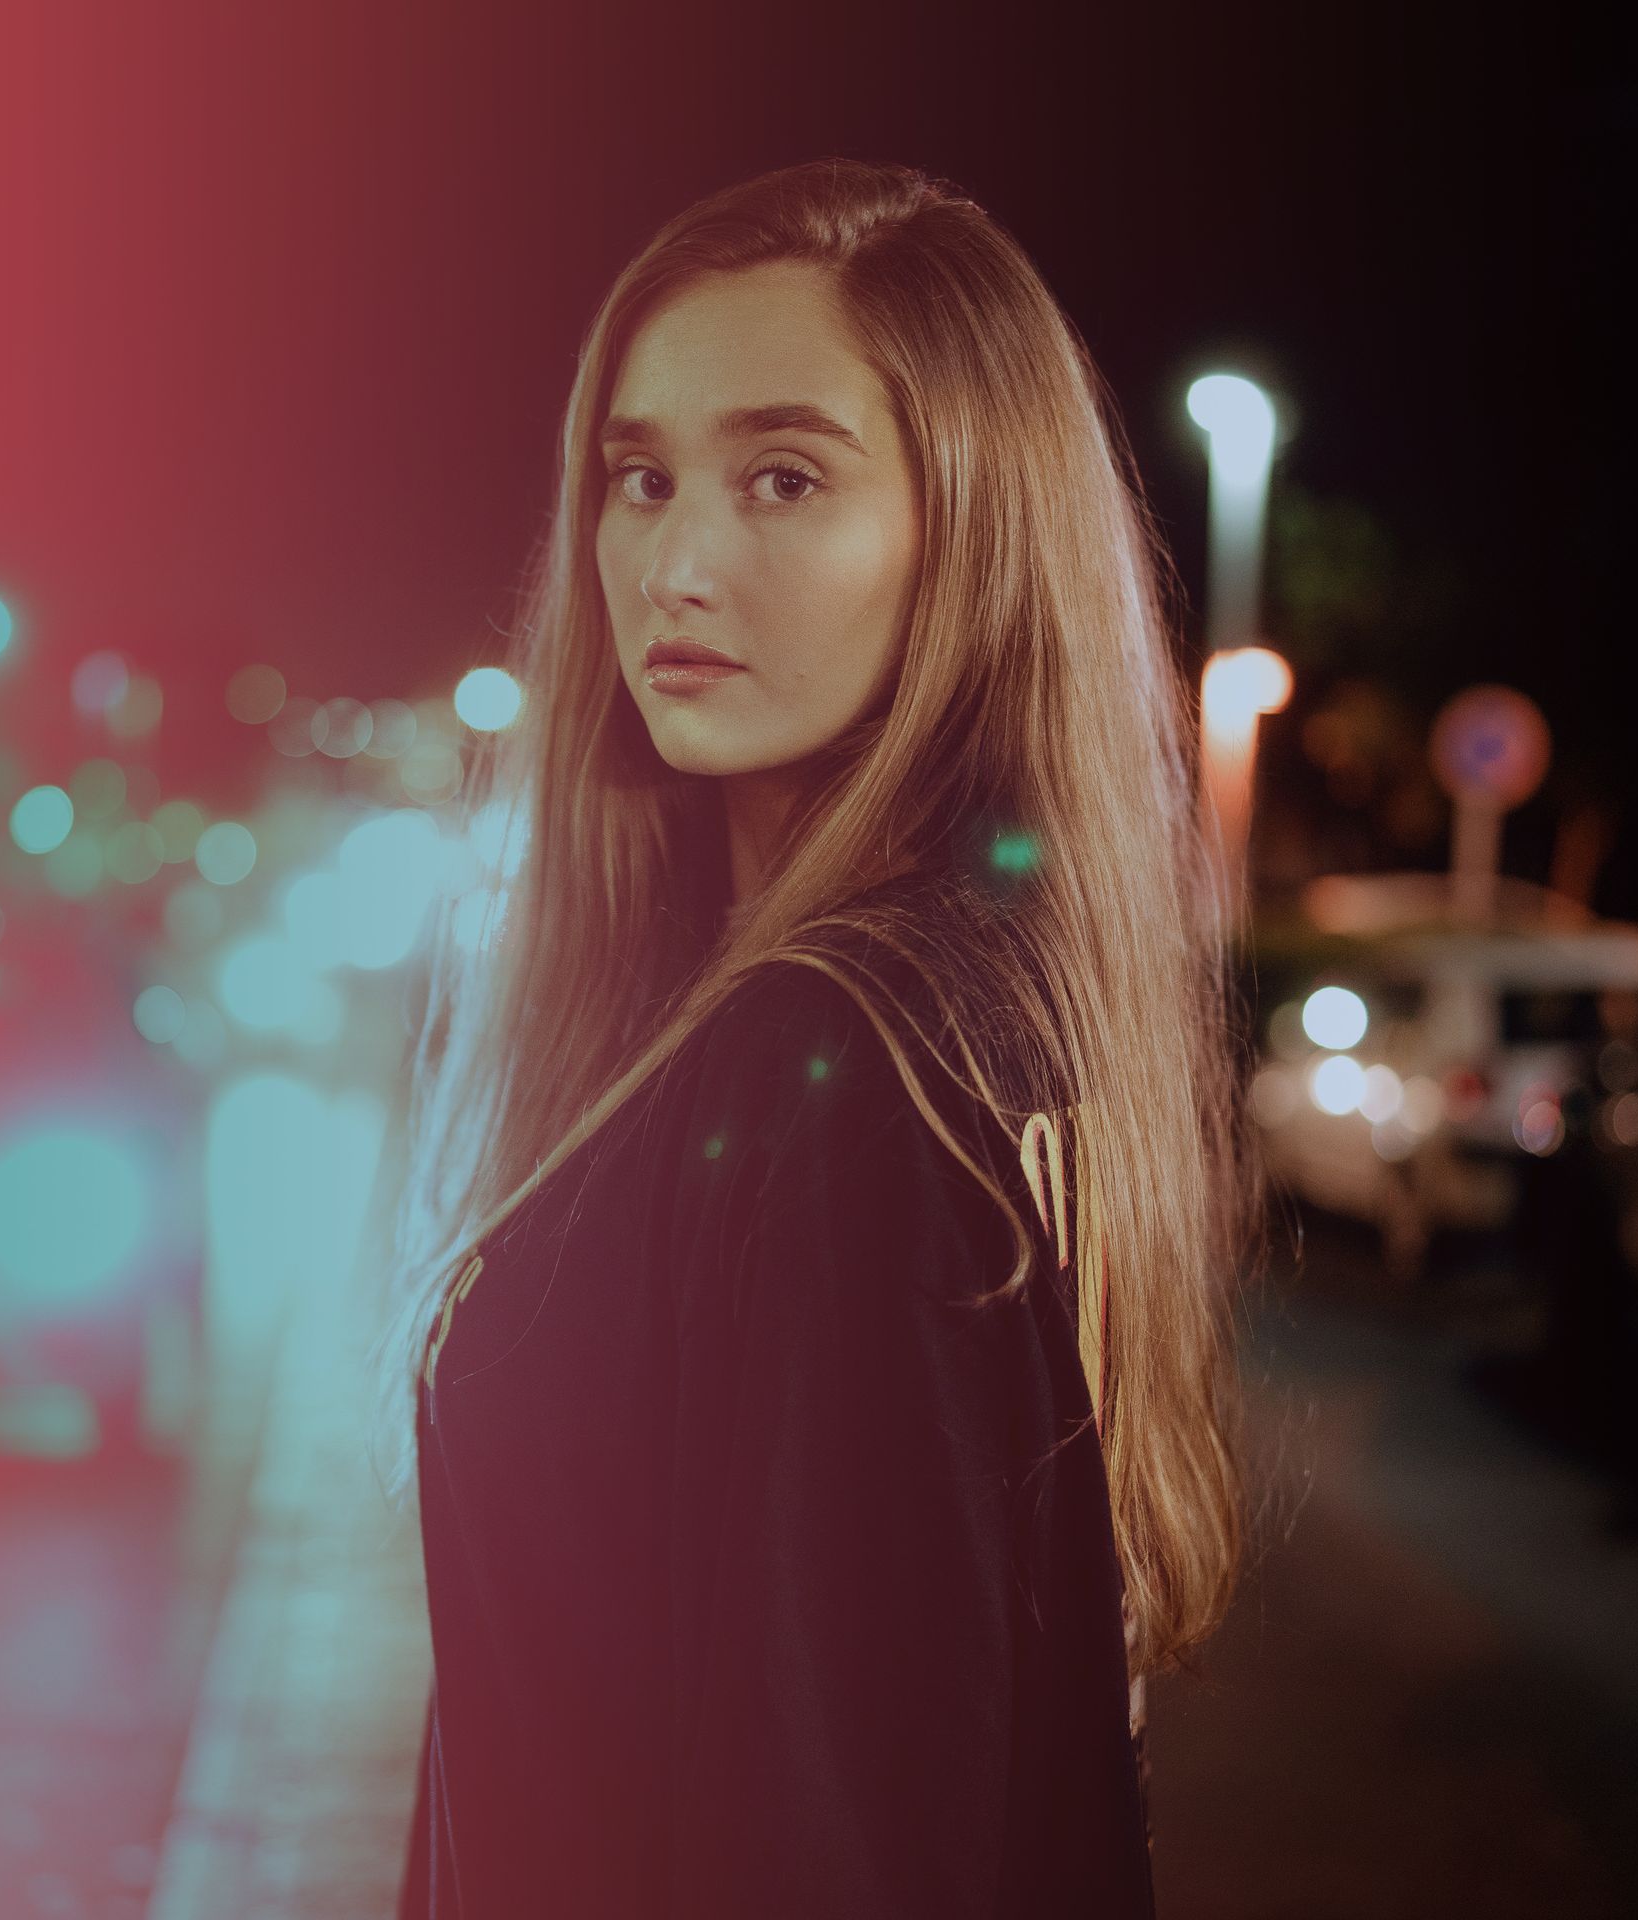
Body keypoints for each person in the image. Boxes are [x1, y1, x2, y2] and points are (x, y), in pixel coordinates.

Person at [373, 157, 1262, 1918]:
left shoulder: (846, 1068)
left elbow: (830, 1840)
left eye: (785, 478)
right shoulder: (968, 1004)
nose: (675, 563)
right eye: (640, 479)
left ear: (974, 532)